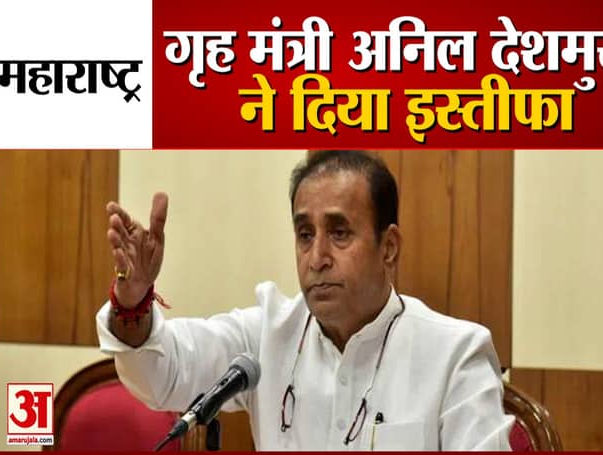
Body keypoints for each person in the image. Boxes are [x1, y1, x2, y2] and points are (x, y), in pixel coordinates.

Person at [96, 150, 514, 450]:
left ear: (388, 248)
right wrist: (133, 300)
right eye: (305, 235)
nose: (317, 258)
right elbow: (162, 375)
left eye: (339, 233)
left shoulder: (455, 355)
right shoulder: (265, 336)